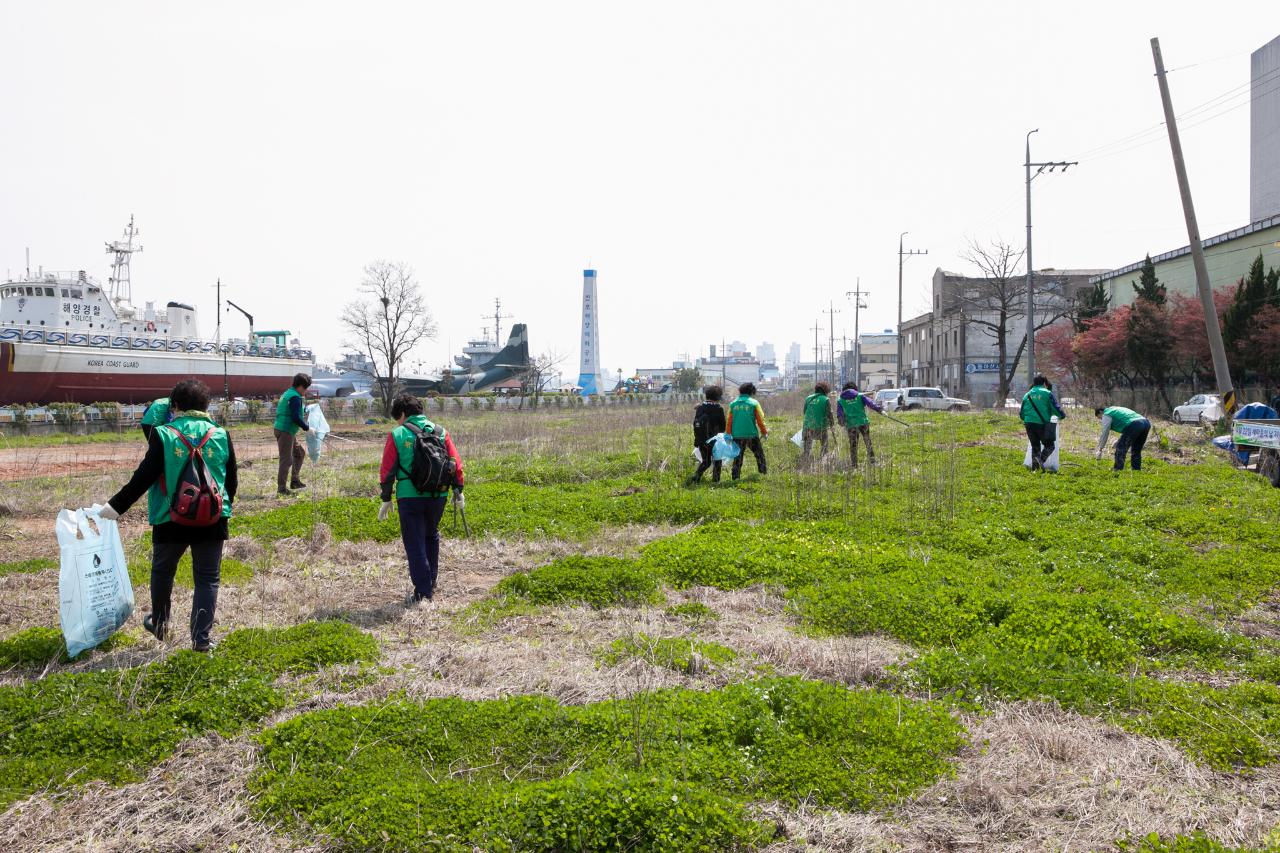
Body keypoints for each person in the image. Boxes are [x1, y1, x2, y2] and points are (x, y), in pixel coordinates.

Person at [97, 380, 236, 652]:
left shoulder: (163, 434)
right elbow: (231, 481)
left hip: (169, 517)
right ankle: (202, 641)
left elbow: (143, 478)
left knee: (163, 571)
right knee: (207, 579)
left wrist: (114, 508)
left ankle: (160, 623)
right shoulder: (221, 433)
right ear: (206, 405)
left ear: (174, 406)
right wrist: (222, 511)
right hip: (213, 518)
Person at [378, 393, 464, 603]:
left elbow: (387, 470)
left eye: (398, 417)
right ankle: (431, 581)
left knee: (414, 542)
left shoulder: (398, 434)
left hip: (409, 496)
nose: (398, 422)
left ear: (403, 414)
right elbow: (455, 463)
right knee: (431, 535)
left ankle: (423, 591)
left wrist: (386, 497)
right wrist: (458, 490)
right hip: (439, 494)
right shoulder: (441, 432)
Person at [273, 373, 311, 496]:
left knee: (299, 453)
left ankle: (295, 481)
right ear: (300, 386)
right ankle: (282, 489)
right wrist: (307, 428)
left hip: (286, 430)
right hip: (285, 430)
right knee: (286, 460)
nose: (306, 391)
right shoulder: (295, 397)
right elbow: (295, 417)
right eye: (305, 388)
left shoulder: (288, 393)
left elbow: (293, 411)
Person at [1020, 375, 1067, 472]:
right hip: (1041, 424)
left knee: (1035, 446)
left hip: (1028, 423)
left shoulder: (1027, 394)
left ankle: (1035, 469)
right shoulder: (1047, 393)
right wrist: (1062, 415)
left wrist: (1026, 419)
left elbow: (1022, 413)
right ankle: (1040, 460)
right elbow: (1055, 407)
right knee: (1050, 446)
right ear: (1044, 383)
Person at [836, 381, 884, 468]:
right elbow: (871, 403)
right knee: (868, 442)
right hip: (863, 423)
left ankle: (854, 465)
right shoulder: (860, 396)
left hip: (851, 425)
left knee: (853, 445)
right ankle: (873, 462)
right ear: (855, 388)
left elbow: (840, 415)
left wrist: (842, 423)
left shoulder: (840, 400)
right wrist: (879, 409)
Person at [726, 382, 768, 480]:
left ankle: (735, 477)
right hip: (751, 435)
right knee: (759, 455)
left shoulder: (733, 404)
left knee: (738, 457)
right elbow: (760, 420)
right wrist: (764, 432)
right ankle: (763, 474)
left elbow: (729, 421)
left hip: (737, 436)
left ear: (740, 391)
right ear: (752, 392)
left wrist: (728, 434)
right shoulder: (754, 403)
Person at [689, 385, 727, 484]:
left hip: (701, 440)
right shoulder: (719, 409)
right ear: (718, 398)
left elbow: (695, 424)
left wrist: (697, 440)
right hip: (714, 440)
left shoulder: (700, 408)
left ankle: (696, 477)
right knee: (717, 461)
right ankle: (715, 481)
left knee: (706, 462)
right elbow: (723, 426)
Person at [1095, 405, 1151, 471]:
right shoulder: (1114, 409)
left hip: (1135, 424)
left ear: (1100, 412)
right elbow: (1126, 423)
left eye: (1100, 418)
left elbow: (1105, 431)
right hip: (1146, 423)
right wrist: (1119, 440)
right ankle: (1136, 470)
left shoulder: (1106, 414)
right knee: (1136, 450)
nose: (1102, 420)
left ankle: (1117, 469)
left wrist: (1100, 448)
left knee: (1120, 448)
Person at [800, 382, 834, 463]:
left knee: (807, 448)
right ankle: (823, 461)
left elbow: (805, 412)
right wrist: (832, 424)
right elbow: (830, 414)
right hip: (820, 428)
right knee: (824, 445)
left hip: (807, 427)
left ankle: (805, 462)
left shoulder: (808, 398)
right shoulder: (826, 399)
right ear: (826, 390)